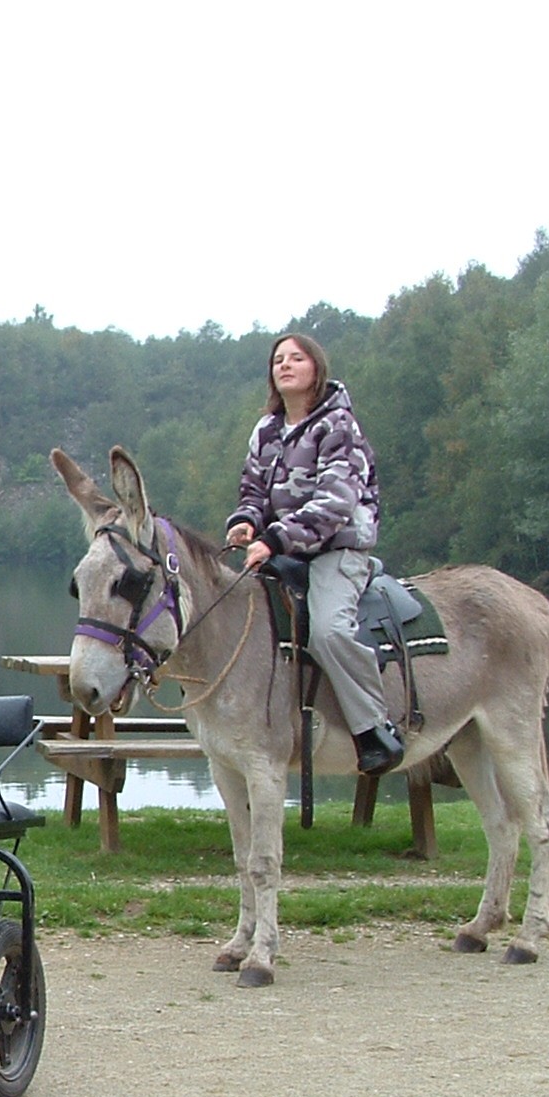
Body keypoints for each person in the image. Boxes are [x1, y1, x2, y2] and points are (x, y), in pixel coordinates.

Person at [225, 332, 404, 775]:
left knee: (327, 631)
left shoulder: (339, 425)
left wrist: (276, 539)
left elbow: (335, 504)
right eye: (278, 359)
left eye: (296, 358)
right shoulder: (266, 430)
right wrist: (245, 521)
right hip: (281, 549)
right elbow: (252, 490)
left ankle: (373, 729)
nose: (285, 365)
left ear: (316, 368)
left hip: (337, 549)